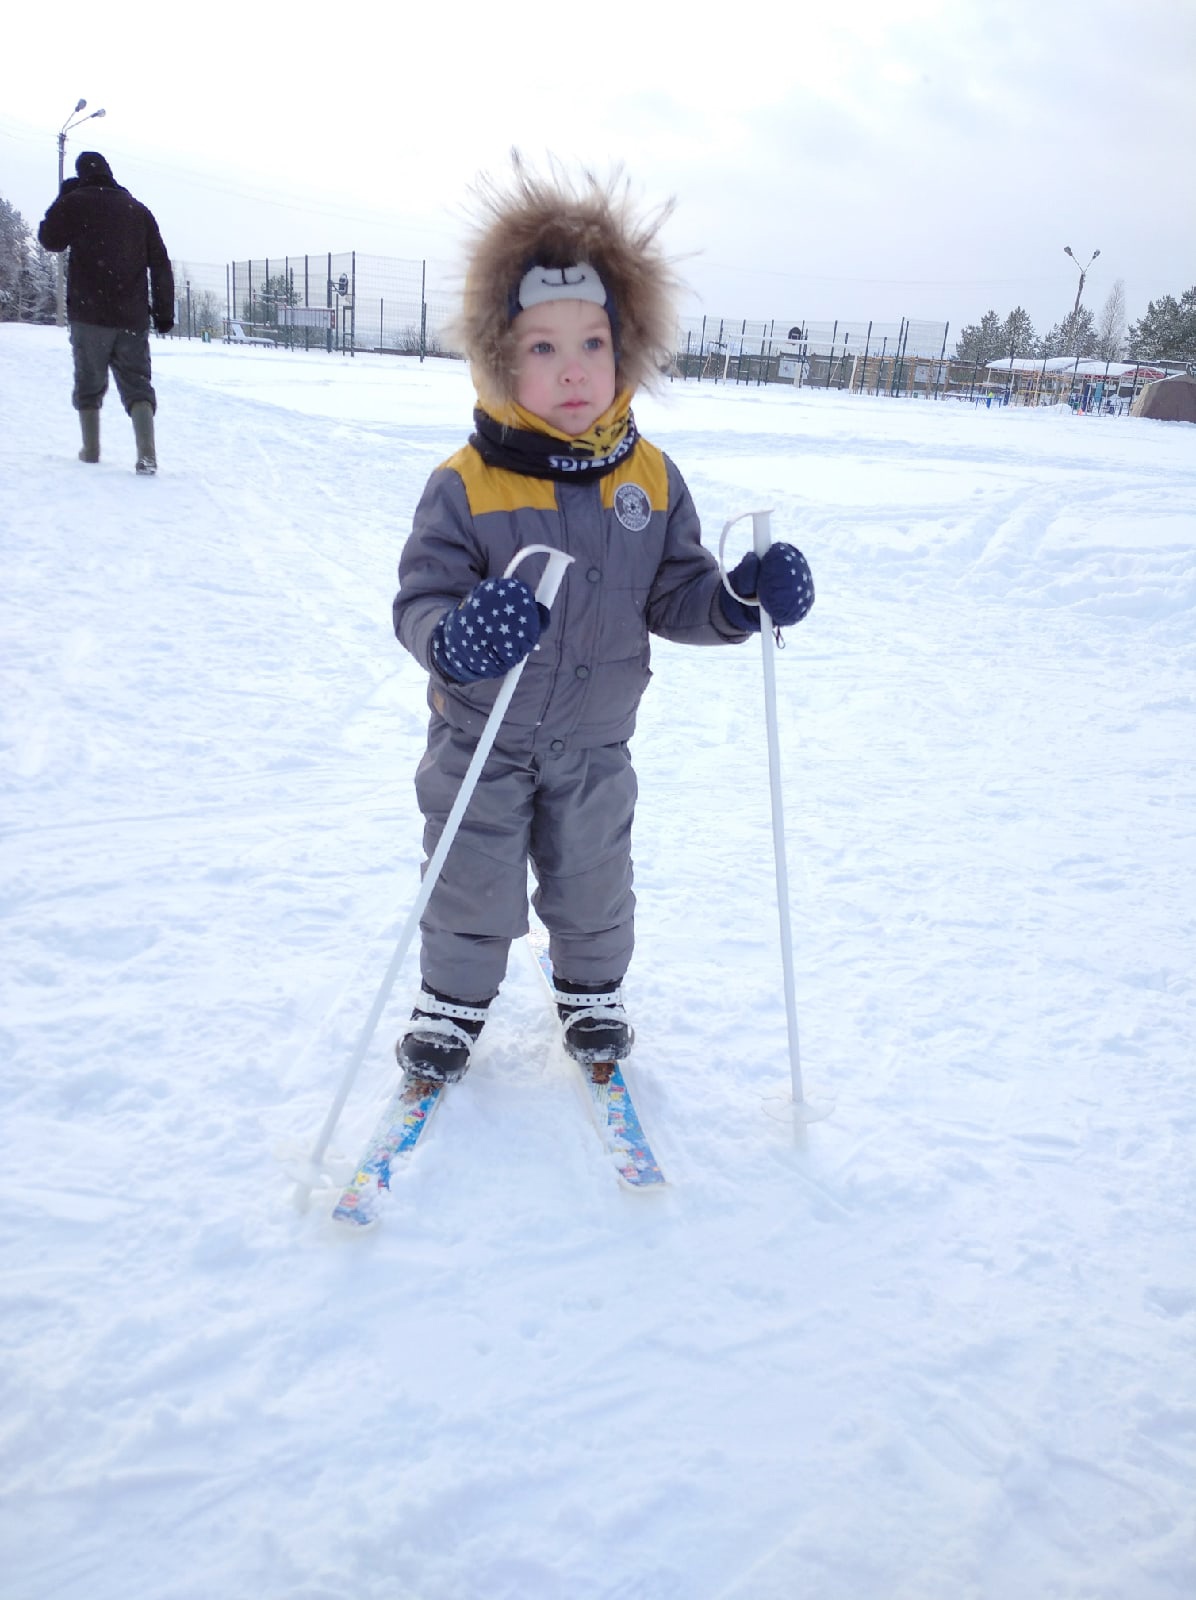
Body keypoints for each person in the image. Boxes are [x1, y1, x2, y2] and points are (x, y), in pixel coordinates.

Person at [391, 160, 815, 1083]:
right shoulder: (467, 484)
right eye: (541, 348)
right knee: (469, 873)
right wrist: (456, 638)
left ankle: (590, 990)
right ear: (499, 356)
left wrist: (737, 601)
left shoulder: (649, 481)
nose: (573, 369)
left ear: (628, 348)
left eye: (593, 343)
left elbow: (677, 592)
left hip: (594, 741)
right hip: (482, 738)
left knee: (594, 878)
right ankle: (452, 1003)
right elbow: (419, 599)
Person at [38, 151, 174, 475]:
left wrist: (64, 197)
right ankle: (147, 455)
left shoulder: (76, 203)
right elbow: (161, 264)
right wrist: (164, 313)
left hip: (90, 315)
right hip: (132, 317)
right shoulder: (138, 211)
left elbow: (49, 239)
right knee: (138, 384)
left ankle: (91, 451)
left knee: (89, 383)